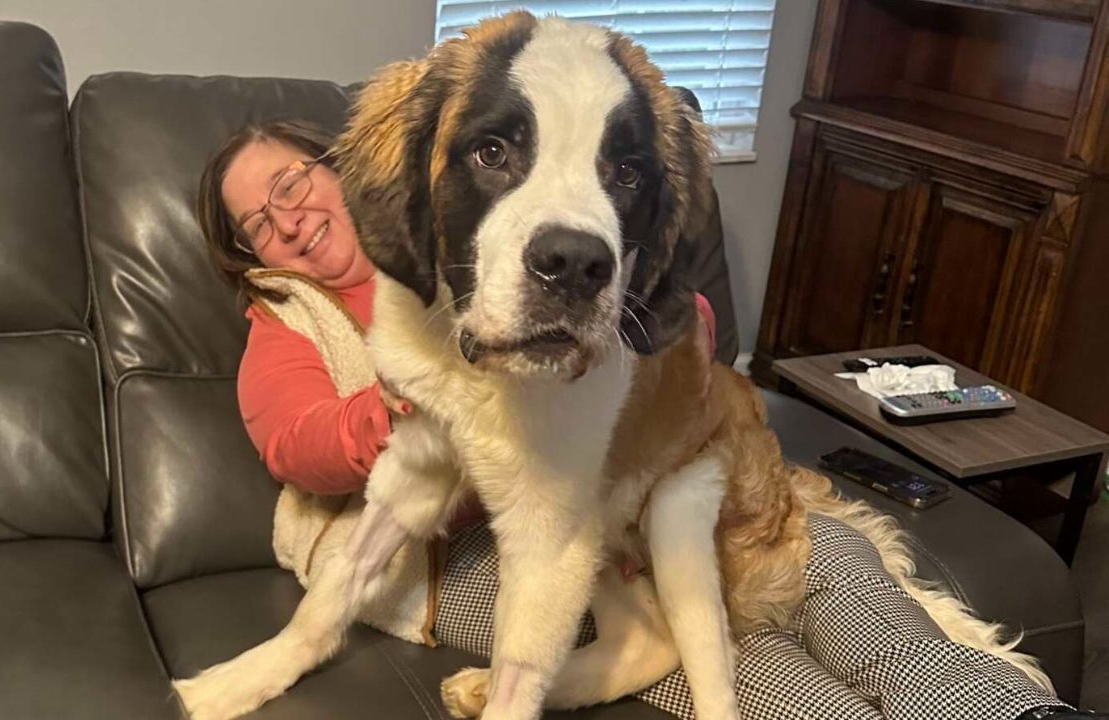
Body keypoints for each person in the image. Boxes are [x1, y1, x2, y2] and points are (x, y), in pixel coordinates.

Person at [196, 119, 1092, 720]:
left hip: (635, 473)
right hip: (465, 545)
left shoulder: (465, 225)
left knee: (828, 556)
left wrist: (664, 343)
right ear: (249, 258)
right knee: (734, 655)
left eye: (291, 183)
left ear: (333, 165)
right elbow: (299, 445)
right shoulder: (286, 323)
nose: (291, 219)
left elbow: (681, 325)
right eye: (258, 224)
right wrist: (408, 396)